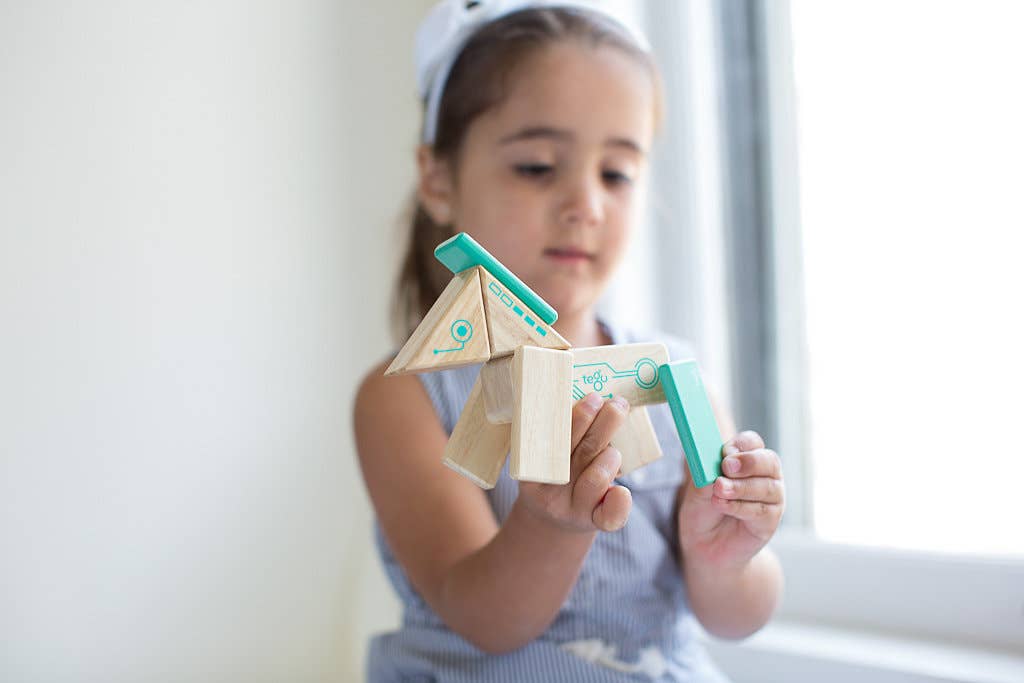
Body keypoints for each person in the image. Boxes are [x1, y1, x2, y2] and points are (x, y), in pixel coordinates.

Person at [353, 1, 786, 680]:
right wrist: (551, 525)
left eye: (616, 173)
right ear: (438, 178)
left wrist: (726, 554)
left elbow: (733, 618)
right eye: (536, 166)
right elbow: (484, 617)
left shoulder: (675, 377)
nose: (585, 202)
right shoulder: (406, 400)